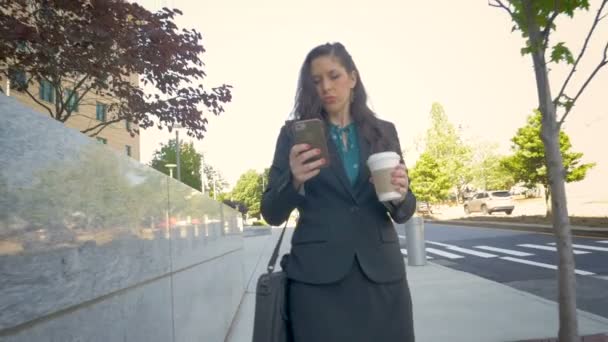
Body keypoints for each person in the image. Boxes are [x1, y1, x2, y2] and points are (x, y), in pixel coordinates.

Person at [260, 42, 417, 342]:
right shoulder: (294, 134)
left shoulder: (384, 132)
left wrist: (400, 193)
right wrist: (292, 181)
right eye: (316, 81)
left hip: (381, 277)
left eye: (334, 76)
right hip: (317, 282)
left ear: (353, 78)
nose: (325, 87)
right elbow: (271, 212)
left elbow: (405, 211)